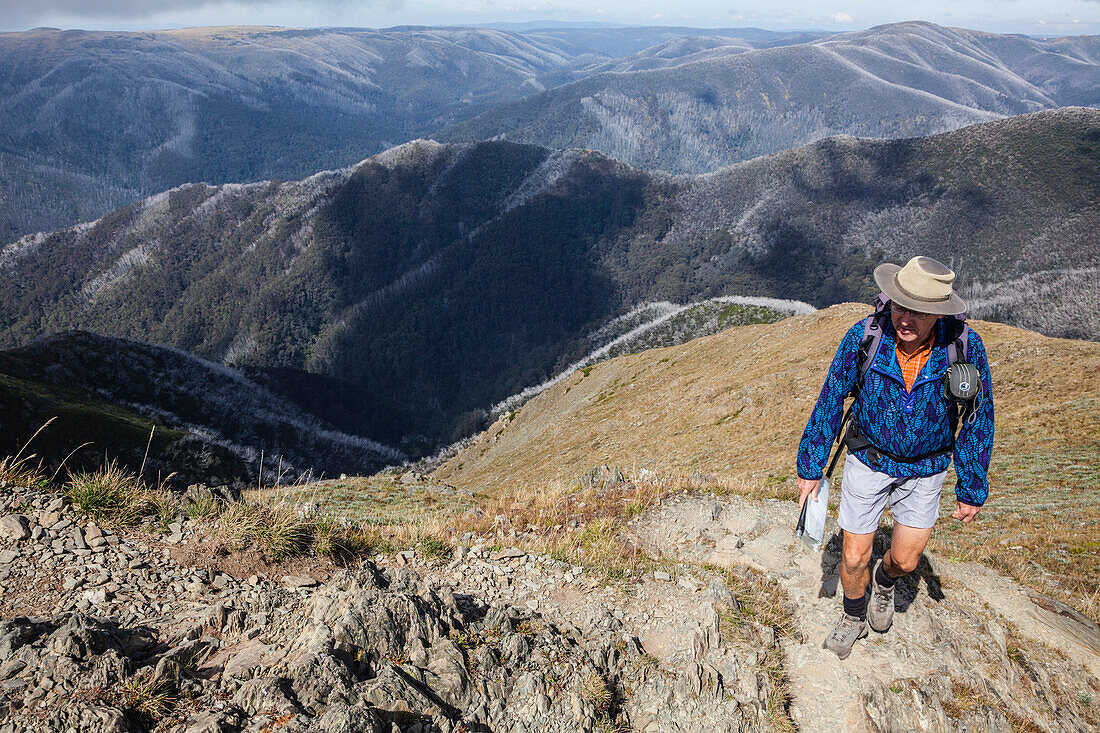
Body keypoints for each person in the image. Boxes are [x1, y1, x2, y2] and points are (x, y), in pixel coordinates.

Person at [796, 256, 994, 659]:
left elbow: (977, 416)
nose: (906, 318)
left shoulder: (964, 349)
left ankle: (885, 582)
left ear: (938, 313)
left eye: (919, 312)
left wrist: (971, 485)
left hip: (926, 468)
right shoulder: (865, 336)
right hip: (868, 459)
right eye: (901, 305)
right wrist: (811, 466)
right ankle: (853, 616)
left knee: (906, 559)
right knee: (853, 555)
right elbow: (833, 397)